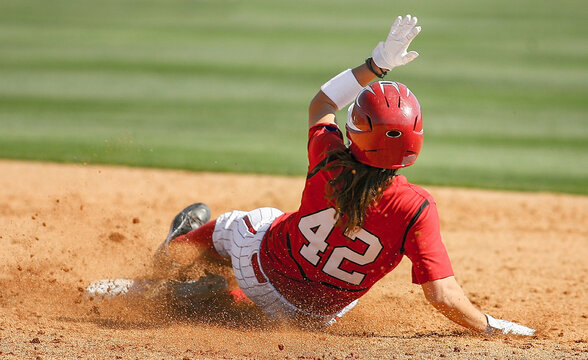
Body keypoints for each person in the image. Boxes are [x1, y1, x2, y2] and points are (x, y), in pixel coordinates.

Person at [153, 15, 535, 335]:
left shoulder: (329, 156)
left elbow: (322, 102)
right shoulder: (415, 208)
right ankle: (220, 298)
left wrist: (377, 64)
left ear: (356, 132)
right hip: (311, 319)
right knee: (299, 296)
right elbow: (443, 296)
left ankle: (174, 251)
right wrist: (493, 326)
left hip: (259, 268)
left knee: (252, 222)